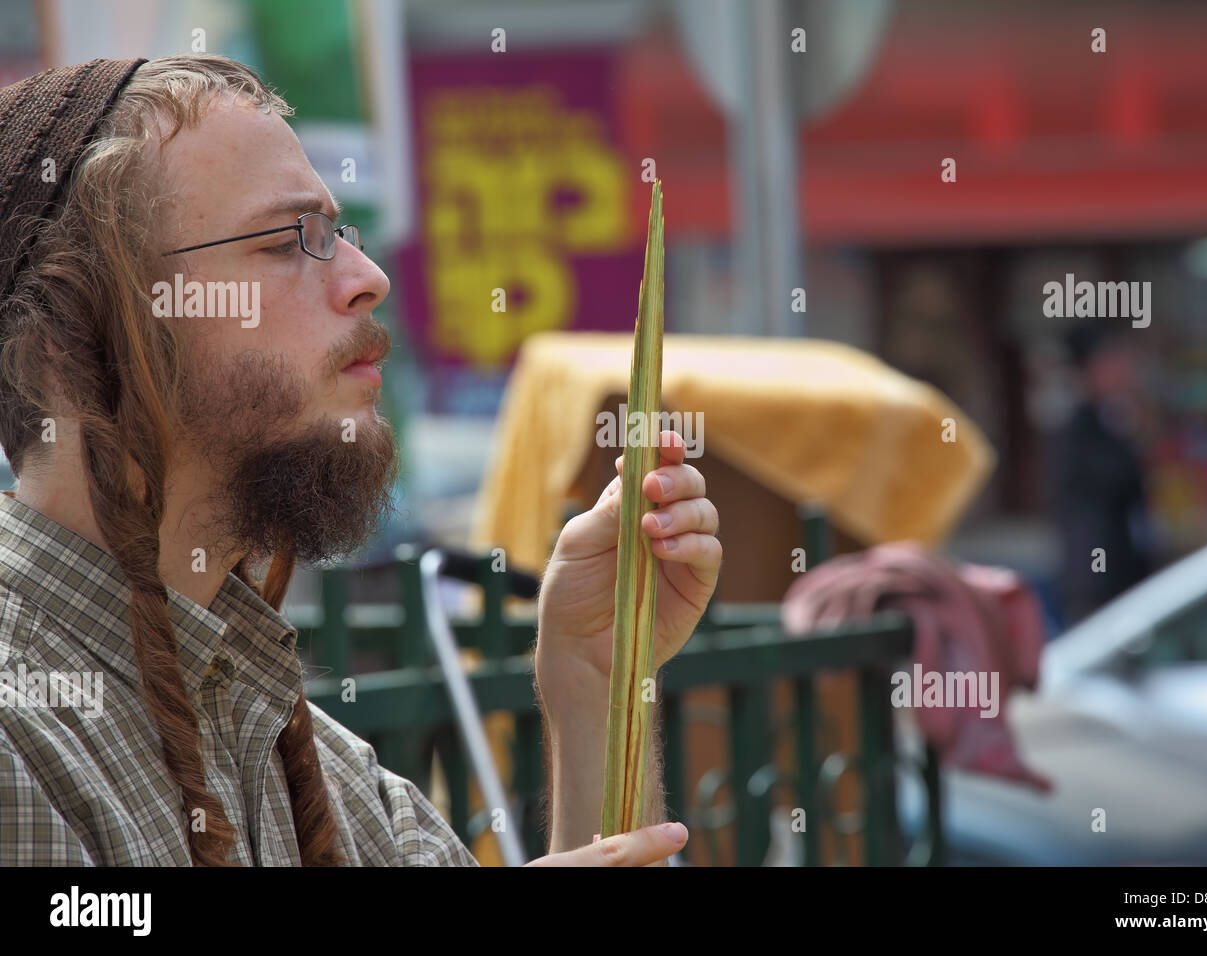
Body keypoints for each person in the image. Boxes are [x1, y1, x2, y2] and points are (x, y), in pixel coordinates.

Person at [0, 55, 722, 866]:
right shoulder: (17, 729)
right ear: (74, 332)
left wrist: (594, 684)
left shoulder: (334, 781)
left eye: (339, 232)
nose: (367, 278)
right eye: (285, 241)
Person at [1049, 321, 1155, 627]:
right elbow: (1114, 484)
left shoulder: (1112, 419)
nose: (1125, 370)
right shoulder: (1079, 428)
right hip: (1098, 581)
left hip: (1125, 576)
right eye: (1113, 361)